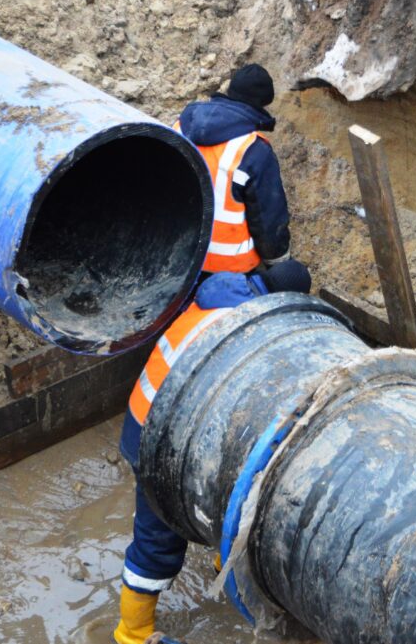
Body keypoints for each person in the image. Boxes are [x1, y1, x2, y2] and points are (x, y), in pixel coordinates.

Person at [114, 260, 312, 644]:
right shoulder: (246, 331)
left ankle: (225, 566)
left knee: (221, 501)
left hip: (145, 420)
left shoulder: (216, 297)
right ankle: (131, 634)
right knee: (157, 540)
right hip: (158, 441)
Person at [175, 64, 291, 275]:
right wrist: (280, 265)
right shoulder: (253, 149)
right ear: (262, 104)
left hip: (171, 257)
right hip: (226, 270)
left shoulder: (180, 126)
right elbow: (267, 219)